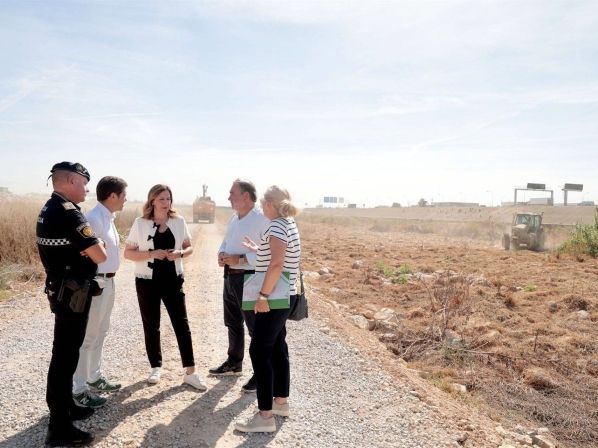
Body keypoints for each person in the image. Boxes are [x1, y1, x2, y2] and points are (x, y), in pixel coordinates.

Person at [37, 161, 107, 447]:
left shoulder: (49, 207)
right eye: (83, 183)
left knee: (65, 353)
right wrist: (96, 246)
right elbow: (100, 255)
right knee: (65, 358)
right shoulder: (68, 213)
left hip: (63, 290)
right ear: (70, 181)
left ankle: (66, 407)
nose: (87, 189)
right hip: (72, 294)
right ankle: (59, 427)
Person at [124, 184, 206, 391]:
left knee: (181, 324)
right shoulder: (140, 223)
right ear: (152, 200)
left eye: (168, 198)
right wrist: (151, 254)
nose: (166, 202)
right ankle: (155, 367)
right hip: (146, 280)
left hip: (173, 279)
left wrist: (180, 254)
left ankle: (191, 372)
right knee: (151, 325)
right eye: (161, 198)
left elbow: (189, 247)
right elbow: (128, 253)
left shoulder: (178, 221)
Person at [234, 185, 300, 433]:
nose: (261, 207)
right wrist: (258, 250)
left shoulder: (276, 226)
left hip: (273, 297)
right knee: (277, 347)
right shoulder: (288, 224)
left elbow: (277, 264)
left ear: (271, 204)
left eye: (263, 203)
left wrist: (263, 296)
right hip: (285, 295)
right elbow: (278, 255)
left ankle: (265, 417)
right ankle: (280, 402)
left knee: (259, 351)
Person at [72, 176, 128, 408]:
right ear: (112, 196)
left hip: (109, 282)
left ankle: (94, 377)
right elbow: (83, 252)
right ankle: (79, 389)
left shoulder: (108, 218)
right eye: (123, 195)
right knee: (88, 336)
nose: (125, 199)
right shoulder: (93, 218)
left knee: (101, 332)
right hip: (96, 283)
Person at [209, 179, 269, 393]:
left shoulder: (262, 219)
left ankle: (261, 374)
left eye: (232, 193)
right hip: (230, 277)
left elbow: (268, 253)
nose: (228, 197)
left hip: (250, 278)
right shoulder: (234, 218)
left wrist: (240, 259)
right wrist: (221, 253)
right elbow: (226, 241)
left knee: (256, 329)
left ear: (246, 196)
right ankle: (234, 363)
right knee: (233, 322)